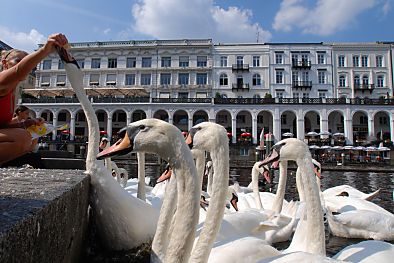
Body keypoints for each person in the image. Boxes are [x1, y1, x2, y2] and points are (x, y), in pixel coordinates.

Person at [0, 33, 69, 166]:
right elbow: (19, 71)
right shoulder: (2, 81)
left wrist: (28, 123)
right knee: (22, 138)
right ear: (4, 63)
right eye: (18, 61)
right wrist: (44, 50)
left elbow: (3, 126)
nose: (27, 67)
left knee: (25, 137)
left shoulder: (13, 92)